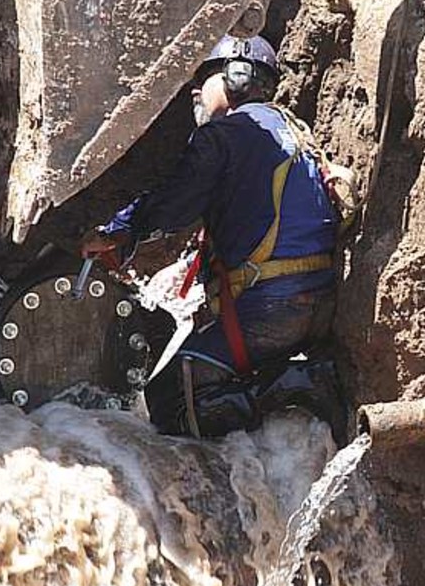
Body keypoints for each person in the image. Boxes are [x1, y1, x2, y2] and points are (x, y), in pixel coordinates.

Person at [80, 34, 348, 439]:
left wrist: (119, 231)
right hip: (316, 302)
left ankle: (299, 384)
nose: (194, 93)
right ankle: (283, 386)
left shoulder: (224, 136)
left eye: (203, 80)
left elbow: (176, 200)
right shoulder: (290, 128)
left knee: (169, 400)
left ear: (236, 77)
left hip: (272, 309)